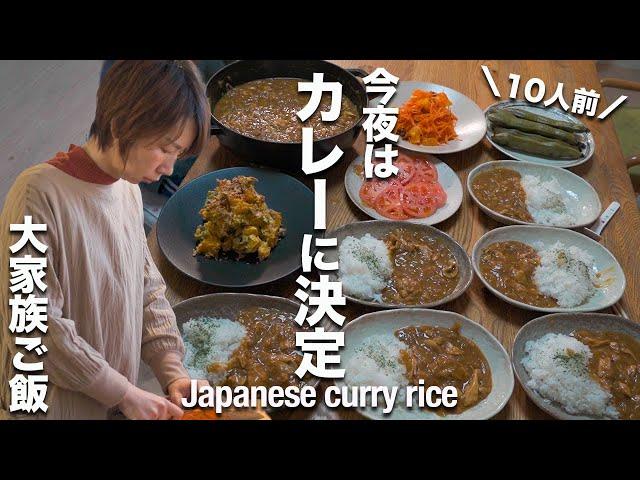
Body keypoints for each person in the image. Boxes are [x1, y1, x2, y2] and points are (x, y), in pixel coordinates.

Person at [0, 60, 210, 420]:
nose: (168, 168)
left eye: (178, 154)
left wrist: (172, 370)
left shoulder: (127, 188)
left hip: (110, 401)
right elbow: (33, 327)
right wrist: (125, 393)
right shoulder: (36, 195)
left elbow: (146, 288)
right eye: (165, 148)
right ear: (120, 124)